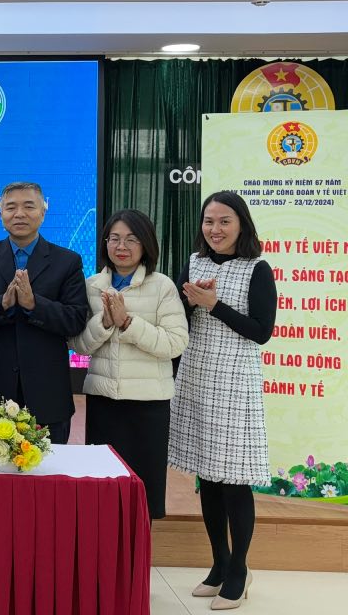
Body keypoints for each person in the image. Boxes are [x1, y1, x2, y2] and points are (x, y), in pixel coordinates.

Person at [169, 191, 276, 608]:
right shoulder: (194, 263)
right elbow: (179, 316)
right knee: (207, 478)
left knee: (233, 481)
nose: (214, 229)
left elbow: (261, 331)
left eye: (224, 221)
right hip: (195, 378)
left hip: (235, 383)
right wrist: (191, 301)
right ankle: (218, 563)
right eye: (208, 221)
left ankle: (240, 570)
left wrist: (214, 305)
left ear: (241, 225)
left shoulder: (257, 269)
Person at [69, 209, 188, 520]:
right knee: (103, 492)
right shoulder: (92, 286)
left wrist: (128, 324)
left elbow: (175, 344)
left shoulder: (162, 286)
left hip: (149, 406)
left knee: (143, 496)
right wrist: (105, 323)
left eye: (131, 239)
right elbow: (78, 344)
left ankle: (138, 563)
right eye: (114, 238)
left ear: (146, 244)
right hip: (103, 402)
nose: (121, 246)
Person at [0, 181, 88, 445]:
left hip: (48, 390)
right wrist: (3, 304)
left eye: (28, 206)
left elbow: (75, 320)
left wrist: (34, 305)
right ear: (1, 214)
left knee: (49, 475)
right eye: (11, 207)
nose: (19, 214)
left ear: (43, 212)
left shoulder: (67, 261)